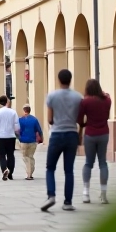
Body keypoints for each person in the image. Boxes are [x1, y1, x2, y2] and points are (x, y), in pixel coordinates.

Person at [42, 69, 84, 212]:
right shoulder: (78, 97)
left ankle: (51, 195)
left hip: (57, 134)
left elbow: (49, 119)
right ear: (70, 79)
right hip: (72, 133)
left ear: (59, 80)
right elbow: (80, 118)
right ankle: (68, 202)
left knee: (50, 168)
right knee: (69, 170)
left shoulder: (52, 96)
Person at [79, 79, 112, 204]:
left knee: (88, 163)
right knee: (103, 162)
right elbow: (107, 115)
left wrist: (85, 124)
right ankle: (103, 194)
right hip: (104, 133)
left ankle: (86, 193)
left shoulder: (85, 102)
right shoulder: (107, 100)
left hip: (90, 134)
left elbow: (80, 118)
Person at [0, 96, 20, 181]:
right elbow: (17, 126)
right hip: (11, 136)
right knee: (10, 155)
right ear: (7, 102)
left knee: (1, 155)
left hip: (1, 136)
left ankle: (4, 169)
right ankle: (10, 173)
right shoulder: (13, 112)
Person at [17, 104, 44, 180]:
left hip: (23, 141)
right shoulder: (34, 119)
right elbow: (39, 130)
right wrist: (42, 138)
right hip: (32, 141)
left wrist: (19, 138)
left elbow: (17, 130)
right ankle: (31, 171)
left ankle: (29, 173)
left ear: (24, 110)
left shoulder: (20, 119)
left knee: (25, 157)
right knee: (31, 156)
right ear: (29, 110)